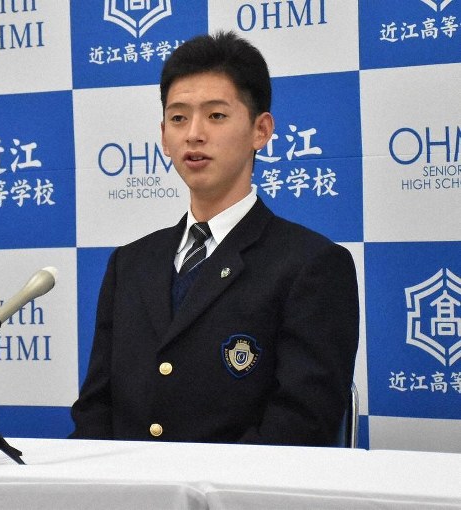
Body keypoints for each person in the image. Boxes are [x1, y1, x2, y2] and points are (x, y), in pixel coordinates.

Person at [69, 31, 359, 446]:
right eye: (178, 118)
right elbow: (96, 409)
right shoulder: (129, 263)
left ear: (261, 130)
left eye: (216, 116)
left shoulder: (311, 265)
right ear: (163, 136)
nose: (193, 134)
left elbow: (301, 425)